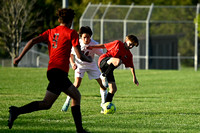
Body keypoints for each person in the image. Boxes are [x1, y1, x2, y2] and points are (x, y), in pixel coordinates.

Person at [9, 8, 91, 133]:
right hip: (59, 72)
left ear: (59, 20)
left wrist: (19, 57)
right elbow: (79, 55)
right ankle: (80, 130)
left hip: (52, 70)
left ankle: (16, 111)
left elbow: (32, 41)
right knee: (76, 96)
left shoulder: (51, 31)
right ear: (71, 20)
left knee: (47, 104)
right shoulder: (71, 33)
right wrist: (89, 59)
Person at [87, 35, 139, 113]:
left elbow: (131, 66)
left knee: (113, 89)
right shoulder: (117, 43)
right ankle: (103, 75)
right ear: (126, 39)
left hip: (109, 70)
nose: (131, 46)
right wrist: (93, 47)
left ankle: (105, 107)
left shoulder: (128, 55)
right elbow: (104, 45)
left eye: (133, 45)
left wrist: (134, 78)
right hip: (103, 61)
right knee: (118, 61)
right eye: (130, 44)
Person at [61, 26, 107, 112]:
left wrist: (105, 63)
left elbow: (102, 55)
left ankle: (104, 105)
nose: (86, 39)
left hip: (91, 65)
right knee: (76, 84)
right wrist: (72, 63)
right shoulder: (77, 44)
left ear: (90, 36)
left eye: (88, 37)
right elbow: (71, 54)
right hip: (80, 66)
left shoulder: (94, 44)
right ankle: (67, 102)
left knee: (103, 84)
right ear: (81, 37)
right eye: (84, 37)